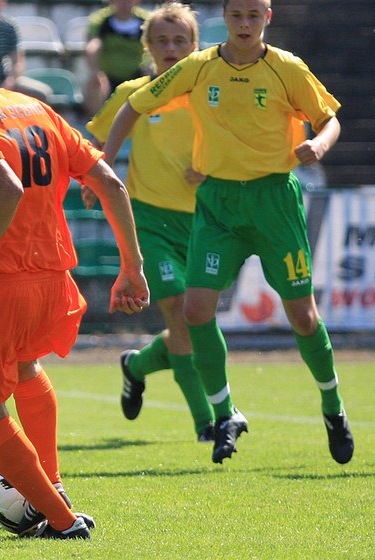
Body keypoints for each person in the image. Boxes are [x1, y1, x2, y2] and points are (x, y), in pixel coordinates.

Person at [0, 20, 149, 539]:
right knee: (26, 369)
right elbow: (111, 184)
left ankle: (63, 520)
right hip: (52, 275)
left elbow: (5, 185)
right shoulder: (37, 109)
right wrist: (131, 266)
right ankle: (55, 487)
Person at [100, 0, 354, 465]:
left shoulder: (286, 68)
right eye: (236, 15)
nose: (244, 24)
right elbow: (133, 105)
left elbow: (329, 117)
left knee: (304, 319)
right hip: (217, 204)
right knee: (194, 311)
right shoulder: (199, 67)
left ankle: (333, 408)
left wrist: (318, 143)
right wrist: (104, 162)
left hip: (274, 201)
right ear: (225, 16)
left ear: (267, 18)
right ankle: (223, 415)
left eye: (253, 15)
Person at [86, 3, 214, 442]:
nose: (171, 49)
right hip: (151, 222)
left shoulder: (210, 94)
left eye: (180, 41)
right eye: (161, 41)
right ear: (148, 46)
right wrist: (95, 176)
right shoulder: (133, 93)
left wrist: (210, 168)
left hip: (206, 223)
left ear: (194, 46)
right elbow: (99, 140)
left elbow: (238, 143)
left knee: (196, 323)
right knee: (179, 315)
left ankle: (137, 365)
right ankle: (207, 423)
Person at [0, 0, 53, 102]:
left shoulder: (8, 27)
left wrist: (10, 81)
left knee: (41, 93)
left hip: (4, 79)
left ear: (2, 3)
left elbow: (17, 61)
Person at [83, 0, 151, 115]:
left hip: (137, 75)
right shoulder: (101, 20)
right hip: (108, 77)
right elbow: (93, 45)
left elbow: (155, 45)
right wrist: (95, 71)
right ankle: (96, 124)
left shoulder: (146, 20)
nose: (124, 3)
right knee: (94, 84)